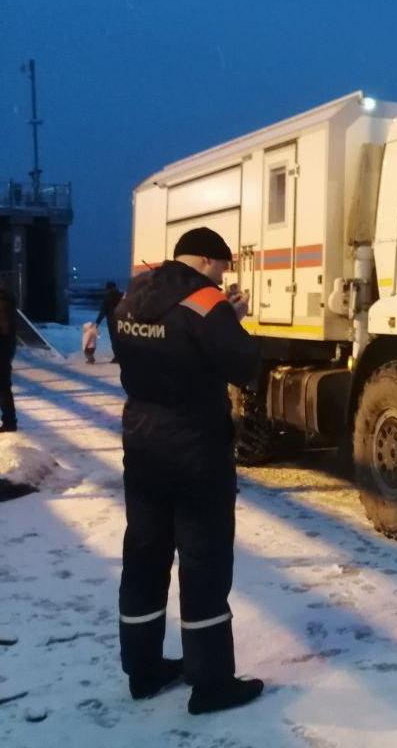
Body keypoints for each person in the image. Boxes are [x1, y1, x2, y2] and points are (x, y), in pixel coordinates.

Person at [114, 226, 264, 714]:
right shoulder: (206, 303)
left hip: (142, 443)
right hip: (196, 450)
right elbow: (243, 366)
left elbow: (137, 350)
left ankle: (144, 670)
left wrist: (219, 321)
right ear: (203, 260)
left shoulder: (134, 296)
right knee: (203, 562)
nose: (223, 278)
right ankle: (212, 683)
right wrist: (232, 321)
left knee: (145, 556)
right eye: (221, 267)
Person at [0, 280, 15, 432]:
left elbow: (5, 330)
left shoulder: (2, 304)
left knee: (3, 388)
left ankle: (9, 422)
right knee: (4, 388)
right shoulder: (6, 302)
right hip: (5, 351)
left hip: (2, 352)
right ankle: (9, 421)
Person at [96, 280, 124, 363]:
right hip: (122, 320)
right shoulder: (121, 295)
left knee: (114, 339)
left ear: (108, 288)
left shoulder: (107, 297)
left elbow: (103, 311)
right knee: (121, 339)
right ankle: (123, 355)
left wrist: (97, 322)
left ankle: (117, 357)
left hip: (112, 321)